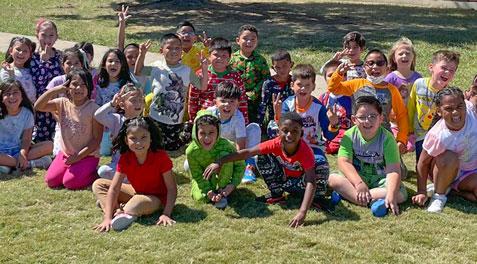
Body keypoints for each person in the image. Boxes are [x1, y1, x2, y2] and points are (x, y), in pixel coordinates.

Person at [203, 112, 325, 228]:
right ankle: (277, 194)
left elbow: (311, 181)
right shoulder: (275, 143)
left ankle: (317, 199)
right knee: (261, 156)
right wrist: (220, 161)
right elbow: (248, 152)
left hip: (301, 184)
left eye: (295, 131)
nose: (289, 135)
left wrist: (302, 212)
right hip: (286, 181)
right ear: (278, 131)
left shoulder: (305, 151)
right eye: (285, 131)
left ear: (301, 132)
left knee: (320, 163)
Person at [93, 116, 177, 232]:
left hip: (156, 198)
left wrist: (166, 214)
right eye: (133, 138)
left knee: (134, 205)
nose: (139, 142)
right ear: (126, 141)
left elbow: (172, 189)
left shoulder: (160, 156)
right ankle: (116, 210)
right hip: (136, 192)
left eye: (143, 137)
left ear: (150, 138)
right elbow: (114, 188)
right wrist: (107, 219)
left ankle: (116, 207)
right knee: (98, 184)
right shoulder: (125, 158)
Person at [328, 96, 407, 217]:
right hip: (357, 178)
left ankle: (350, 195)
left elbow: (393, 170)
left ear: (381, 118)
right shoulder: (349, 136)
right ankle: (372, 201)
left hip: (380, 180)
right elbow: (344, 162)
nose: (367, 121)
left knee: (400, 194)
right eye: (362, 117)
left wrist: (391, 195)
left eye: (372, 116)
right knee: (332, 179)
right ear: (354, 119)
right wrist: (359, 184)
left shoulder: (388, 139)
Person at [274, 64, 339, 199]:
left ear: (314, 87)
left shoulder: (319, 108)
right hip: (292, 148)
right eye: (299, 84)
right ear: (292, 85)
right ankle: (280, 188)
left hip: (313, 148)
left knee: (320, 163)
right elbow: (281, 131)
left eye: (307, 85)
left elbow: (329, 135)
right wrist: (278, 115)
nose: (303, 88)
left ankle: (318, 196)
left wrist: (333, 123)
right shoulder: (287, 104)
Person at [328, 49, 409, 155]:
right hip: (359, 136)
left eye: (380, 63)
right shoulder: (356, 84)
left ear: (387, 68)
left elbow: (402, 115)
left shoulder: (392, 90)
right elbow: (333, 88)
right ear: (364, 67)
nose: (375, 67)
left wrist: (401, 140)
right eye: (370, 63)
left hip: (383, 137)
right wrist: (338, 73)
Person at [34, 69, 102, 190]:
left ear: (89, 88)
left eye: (83, 85)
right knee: (51, 181)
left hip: (87, 156)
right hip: (66, 154)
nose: (78, 88)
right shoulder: (62, 103)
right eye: (74, 84)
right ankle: (73, 169)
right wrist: (55, 90)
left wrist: (78, 157)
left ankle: (93, 174)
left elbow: (96, 140)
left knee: (69, 183)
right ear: (67, 86)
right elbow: (38, 106)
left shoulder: (94, 109)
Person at [412, 88, 477, 213]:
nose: (455, 112)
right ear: (439, 111)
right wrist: (421, 191)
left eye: (459, 106)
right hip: (444, 170)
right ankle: (439, 196)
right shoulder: (437, 135)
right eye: (448, 108)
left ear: (465, 103)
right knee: (449, 157)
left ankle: (455, 191)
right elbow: (422, 163)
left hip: (470, 173)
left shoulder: (472, 110)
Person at [144, 33, 207, 152]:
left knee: (172, 149)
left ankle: (186, 132)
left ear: (182, 51)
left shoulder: (186, 70)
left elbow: (202, 86)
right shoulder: (156, 67)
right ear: (161, 50)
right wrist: (142, 54)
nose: (174, 51)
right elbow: (138, 71)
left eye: (177, 48)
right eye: (169, 48)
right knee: (152, 147)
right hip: (154, 117)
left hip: (175, 120)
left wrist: (204, 67)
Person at [407, 50, 460, 165]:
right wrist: (409, 129)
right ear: (431, 67)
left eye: (452, 70)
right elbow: (411, 108)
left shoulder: (449, 94)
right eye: (444, 68)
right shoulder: (418, 84)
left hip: (439, 136)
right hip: (419, 134)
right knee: (421, 163)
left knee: (436, 164)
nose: (447, 72)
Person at [186, 110, 245, 209]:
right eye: (202, 133)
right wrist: (208, 191)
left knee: (225, 155)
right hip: (206, 178)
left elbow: (240, 165)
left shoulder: (227, 146)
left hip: (225, 177)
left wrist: (233, 185)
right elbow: (197, 175)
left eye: (211, 132)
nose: (207, 138)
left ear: (218, 132)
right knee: (201, 198)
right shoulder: (191, 151)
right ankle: (214, 192)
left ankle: (223, 189)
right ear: (195, 132)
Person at [206, 81, 261, 183]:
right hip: (215, 147)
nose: (227, 105)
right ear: (215, 102)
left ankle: (249, 166)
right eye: (223, 101)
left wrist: (235, 162)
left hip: (233, 148)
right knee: (188, 166)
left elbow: (240, 145)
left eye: (232, 101)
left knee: (254, 128)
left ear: (237, 104)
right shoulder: (209, 114)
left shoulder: (238, 117)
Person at [188, 37, 248, 123]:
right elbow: (193, 99)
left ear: (229, 58)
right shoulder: (200, 74)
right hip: (206, 117)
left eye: (224, 56)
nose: (219, 58)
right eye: (216, 55)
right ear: (209, 55)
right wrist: (193, 119)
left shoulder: (235, 76)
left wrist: (244, 121)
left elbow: (242, 100)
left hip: (229, 116)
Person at [0, 80, 53, 174]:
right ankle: (31, 164)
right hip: (1, 152)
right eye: (7, 94)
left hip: (18, 149)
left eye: (15, 92)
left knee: (49, 145)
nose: (11, 97)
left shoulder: (27, 113)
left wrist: (23, 153)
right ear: (2, 98)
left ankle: (8, 165)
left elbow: (26, 138)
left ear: (22, 95)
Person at [94, 83, 144, 180]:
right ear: (122, 104)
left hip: (138, 163)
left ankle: (127, 178)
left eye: (140, 100)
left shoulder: (145, 123)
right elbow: (98, 116)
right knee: (102, 171)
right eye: (133, 100)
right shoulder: (117, 120)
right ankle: (127, 178)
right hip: (119, 164)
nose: (138, 104)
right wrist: (112, 103)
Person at [385, 37, 422, 152]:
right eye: (400, 54)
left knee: (410, 147)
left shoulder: (418, 77)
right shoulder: (390, 78)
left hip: (412, 121)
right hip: (395, 121)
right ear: (394, 58)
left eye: (408, 53)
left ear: (413, 57)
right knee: (397, 145)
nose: (404, 56)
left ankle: (409, 138)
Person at [30, 19, 64, 142]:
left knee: (56, 139)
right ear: (37, 35)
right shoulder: (31, 57)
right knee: (36, 138)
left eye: (51, 35)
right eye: (43, 35)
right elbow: (36, 81)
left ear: (56, 37)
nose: (47, 39)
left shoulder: (61, 57)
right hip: (37, 104)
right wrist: (43, 62)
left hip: (55, 105)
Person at [229, 24, 270, 123]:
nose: (249, 42)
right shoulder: (231, 59)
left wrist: (254, 92)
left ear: (257, 42)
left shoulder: (260, 60)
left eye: (253, 39)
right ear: (237, 40)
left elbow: (266, 79)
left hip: (253, 99)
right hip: (234, 97)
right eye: (245, 39)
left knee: (252, 122)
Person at [96, 48, 133, 156]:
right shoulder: (98, 85)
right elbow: (97, 106)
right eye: (110, 61)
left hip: (120, 125)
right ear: (104, 65)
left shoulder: (127, 85)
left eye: (117, 61)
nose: (114, 64)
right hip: (103, 126)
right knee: (104, 152)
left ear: (122, 66)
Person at [318, 60, 352, 154]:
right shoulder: (323, 98)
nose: (335, 78)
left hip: (345, 132)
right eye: (330, 75)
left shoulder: (351, 97)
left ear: (346, 77)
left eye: (341, 74)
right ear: (324, 78)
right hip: (328, 131)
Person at [257, 49, 294, 131]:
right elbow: (263, 105)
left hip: (293, 118)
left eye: (285, 66)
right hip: (275, 119)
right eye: (278, 67)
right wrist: (258, 126)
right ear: (273, 68)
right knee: (275, 132)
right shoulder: (269, 83)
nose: (281, 70)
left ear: (291, 64)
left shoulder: (295, 82)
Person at [1, 37, 37, 103]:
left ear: (30, 55)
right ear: (11, 51)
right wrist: (11, 73)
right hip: (15, 109)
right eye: (18, 49)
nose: (21, 53)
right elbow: (9, 89)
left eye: (25, 51)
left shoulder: (31, 70)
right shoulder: (6, 70)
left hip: (31, 108)